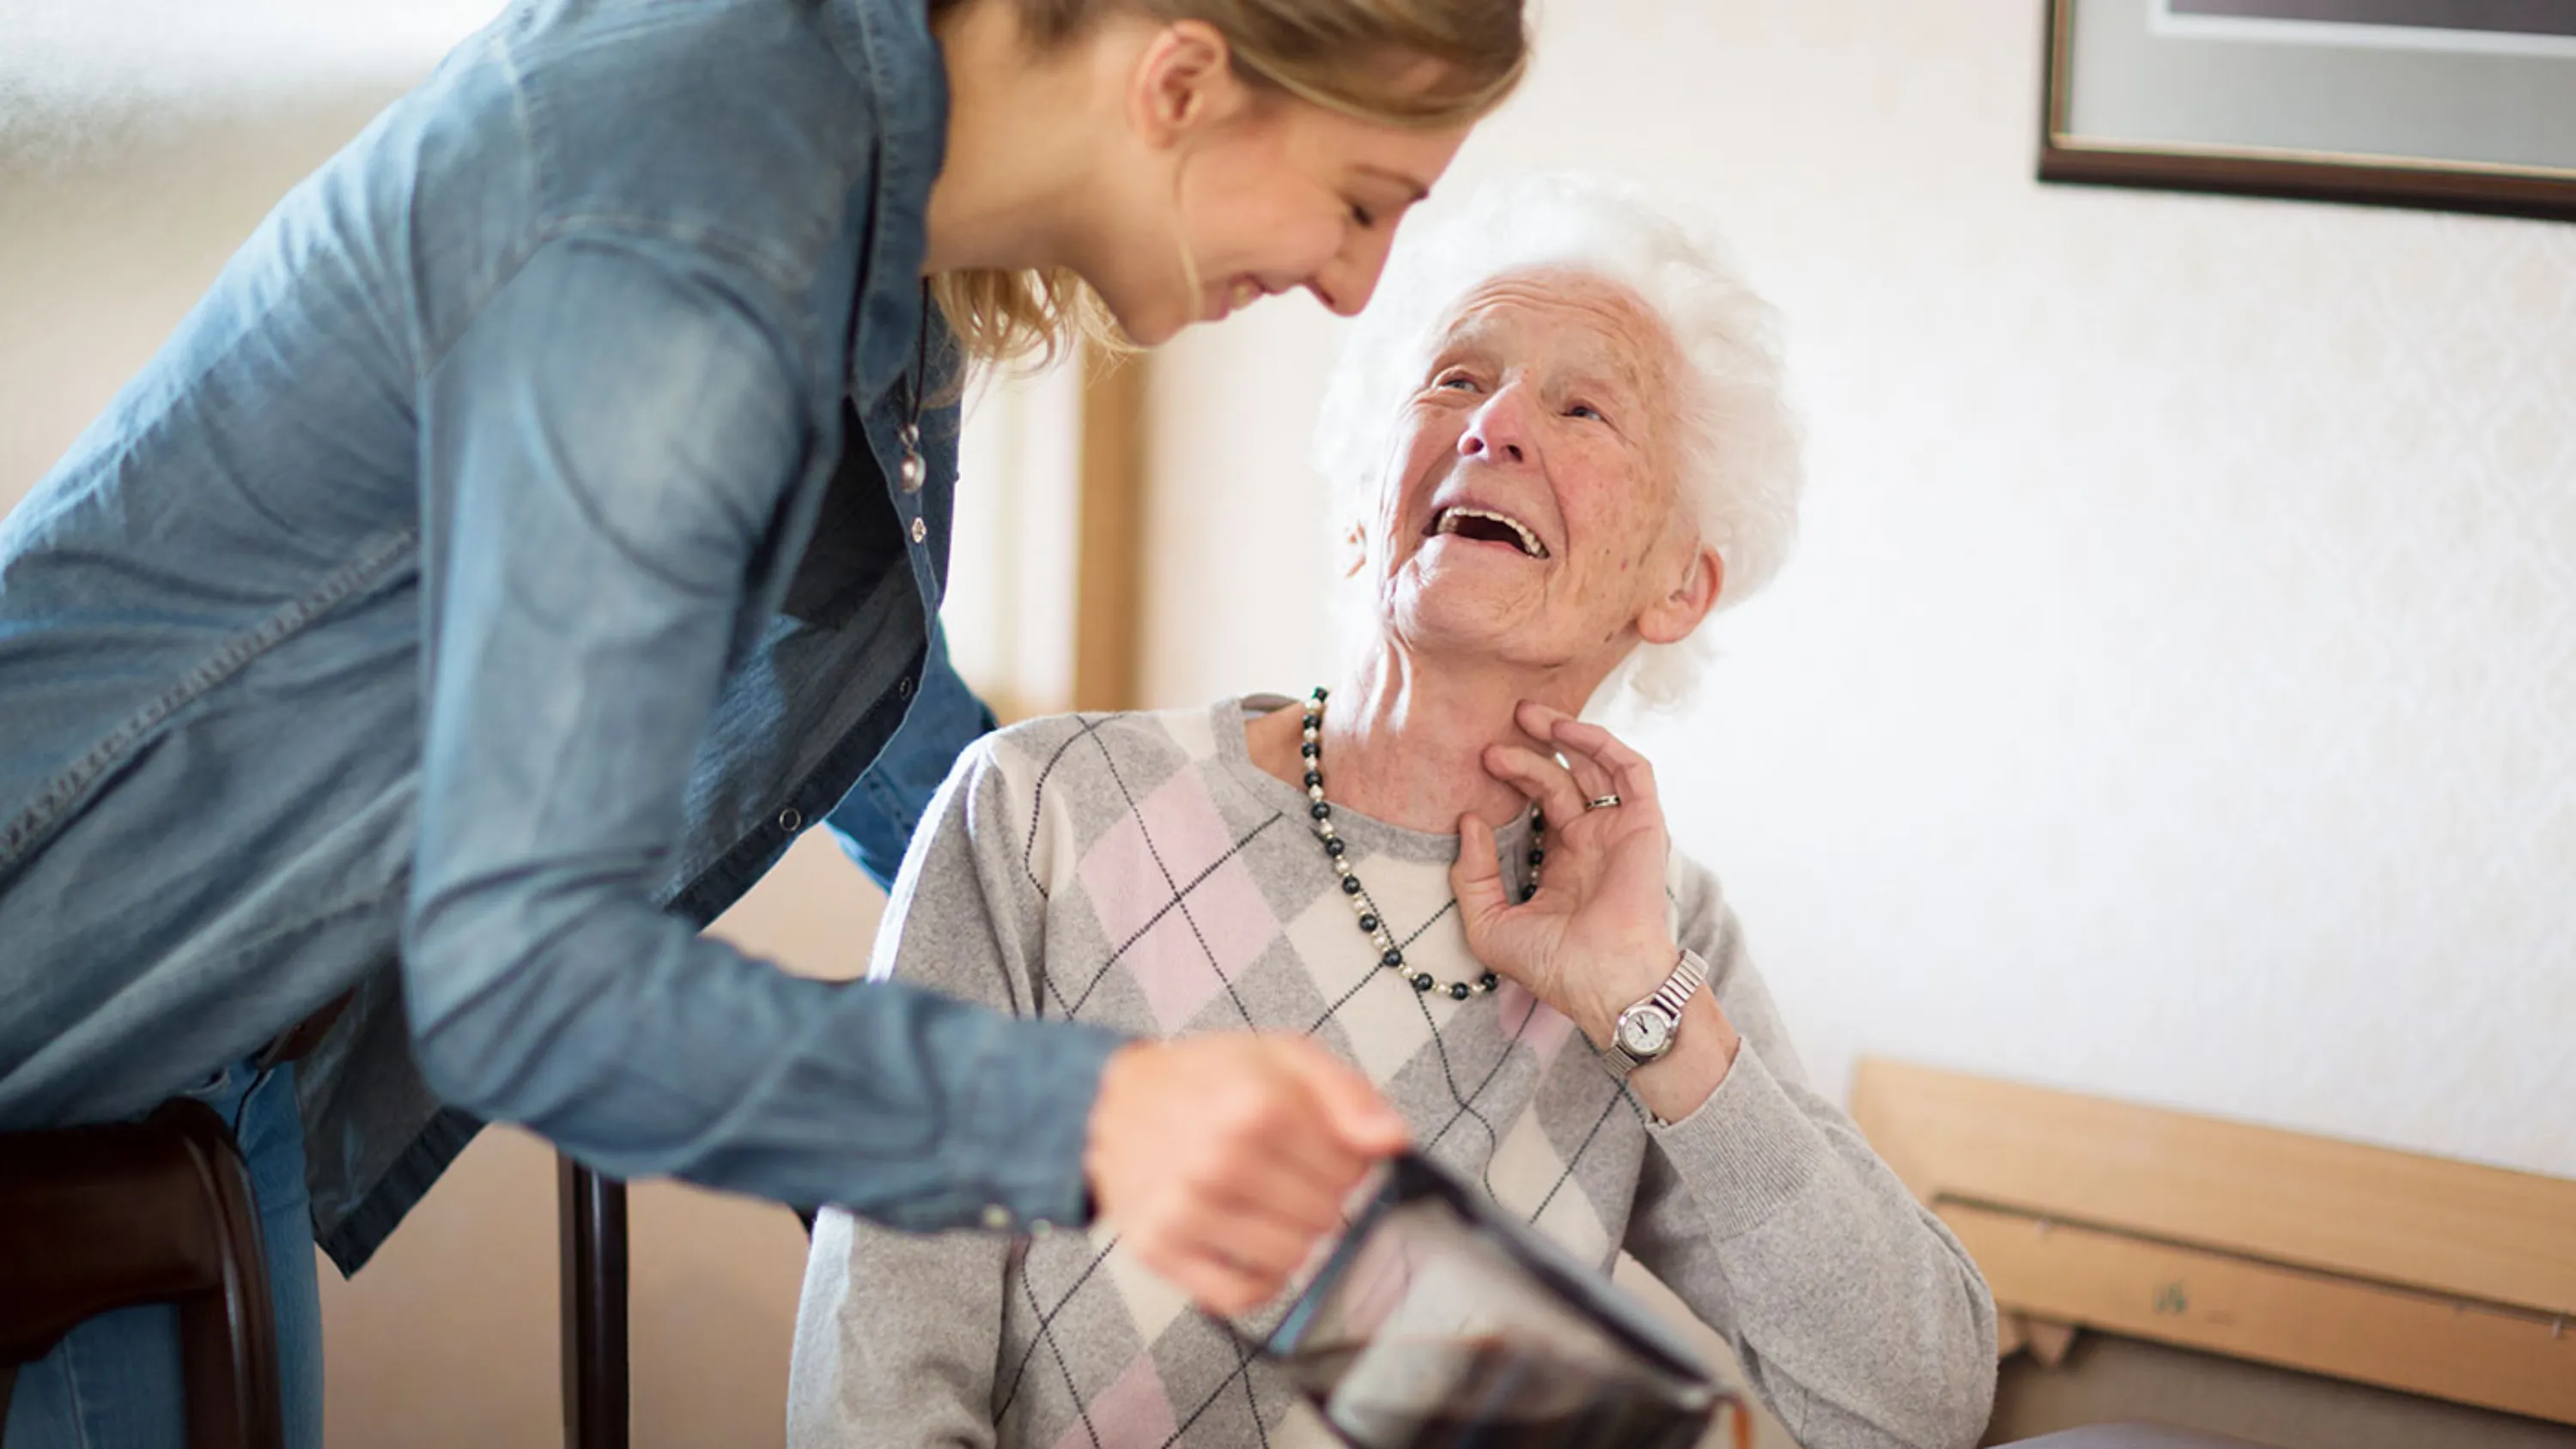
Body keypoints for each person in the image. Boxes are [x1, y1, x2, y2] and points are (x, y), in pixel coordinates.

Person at [0, 0, 1531, 1443]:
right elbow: (521, 978)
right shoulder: (693, 221)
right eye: (1360, 201)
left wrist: (1138, 992)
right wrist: (1100, 1113)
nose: (1358, 288)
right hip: (68, 1041)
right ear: (1182, 82)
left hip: (231, 1061)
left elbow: (874, 696)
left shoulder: (855, 228)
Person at [786, 175, 2000, 1449]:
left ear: (1678, 585)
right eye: (1456, 381)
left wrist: (1651, 1012)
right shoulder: (1043, 808)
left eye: (1584, 406)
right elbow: (878, 1379)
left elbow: (1916, 1406)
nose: (1497, 427)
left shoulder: (1662, 940)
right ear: (1366, 511)